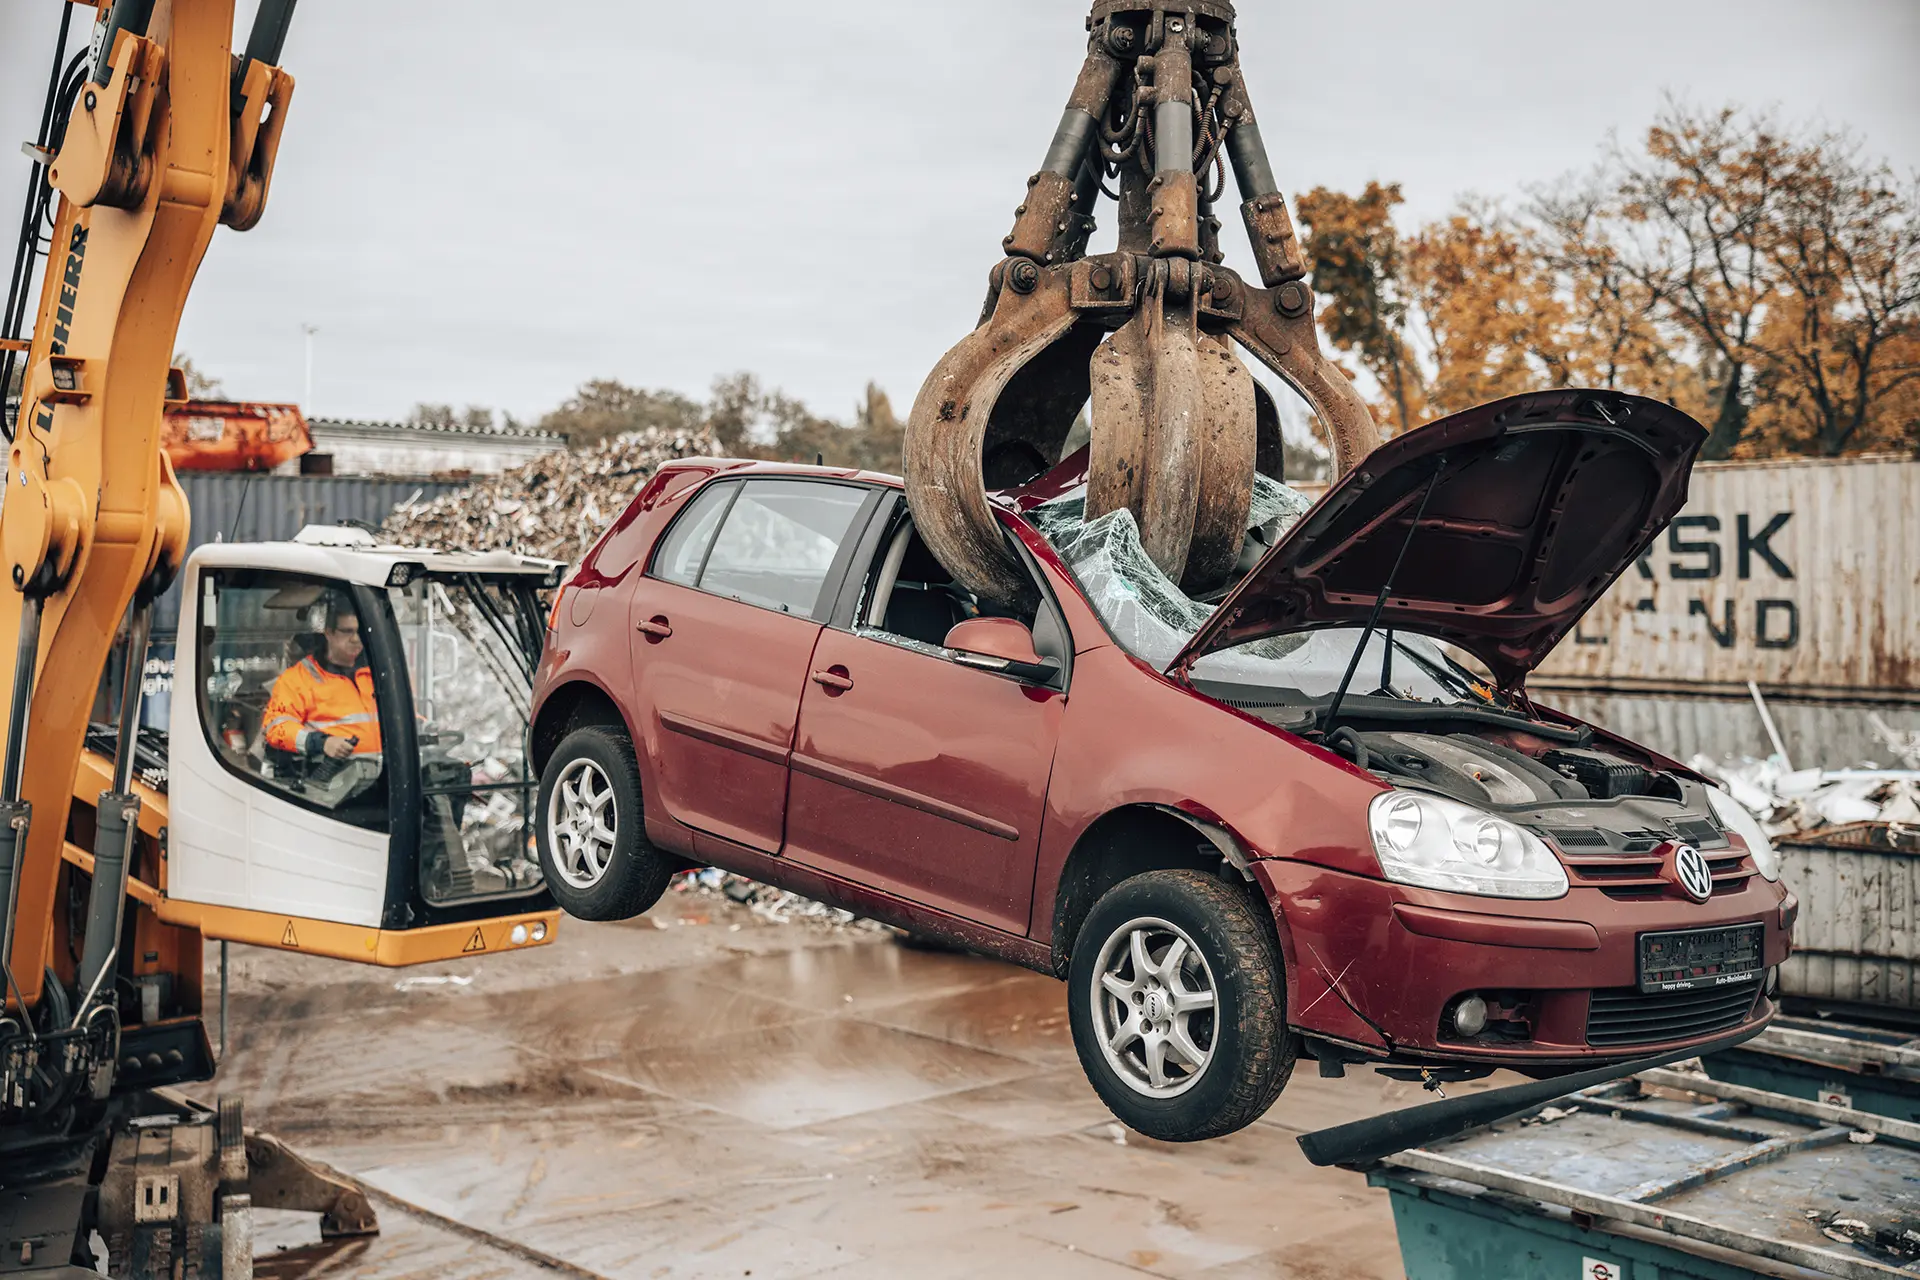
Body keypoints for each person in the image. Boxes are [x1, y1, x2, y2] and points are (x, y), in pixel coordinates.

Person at [262, 594, 383, 763]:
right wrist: (321, 742)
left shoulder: (379, 674)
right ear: (329, 633)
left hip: (386, 776)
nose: (356, 639)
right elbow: (276, 729)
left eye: (359, 632)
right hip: (331, 782)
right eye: (347, 631)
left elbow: (405, 716)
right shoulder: (296, 680)